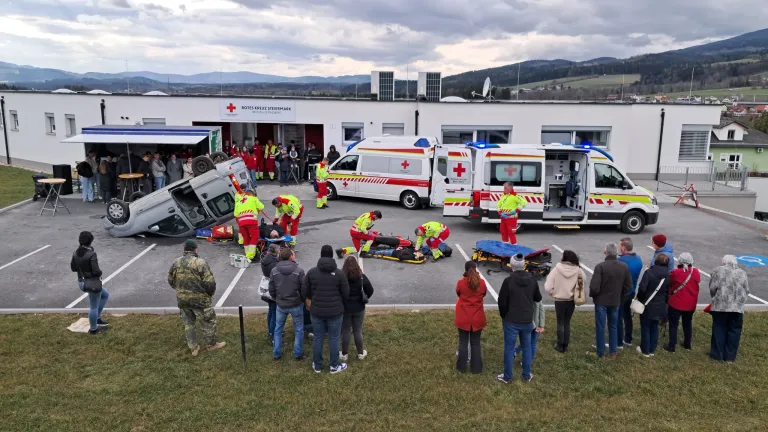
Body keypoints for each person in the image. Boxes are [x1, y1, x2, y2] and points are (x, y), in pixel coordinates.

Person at [167, 240, 226, 356]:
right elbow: (210, 283)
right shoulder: (200, 263)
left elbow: (170, 280)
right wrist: (209, 294)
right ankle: (211, 344)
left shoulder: (176, 262)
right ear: (195, 249)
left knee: (189, 324)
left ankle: (193, 348)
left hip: (183, 300)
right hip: (200, 301)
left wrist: (180, 290)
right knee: (208, 321)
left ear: (185, 249)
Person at [305, 245, 350, 374]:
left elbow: (305, 291)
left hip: (317, 311)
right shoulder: (339, 273)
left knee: (318, 337)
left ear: (320, 255)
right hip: (335, 312)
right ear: (331, 256)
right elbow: (346, 293)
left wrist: (310, 299)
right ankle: (334, 366)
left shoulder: (312, 272)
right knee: (334, 338)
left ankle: (317, 365)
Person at [497, 254, 541, 384]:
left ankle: (507, 376)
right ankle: (526, 375)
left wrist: (503, 315)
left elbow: (502, 302)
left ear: (511, 266)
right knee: (527, 347)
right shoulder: (532, 280)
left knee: (509, 348)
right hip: (527, 319)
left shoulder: (508, 281)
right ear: (524, 265)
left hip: (511, 320)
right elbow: (538, 298)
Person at [589, 243, 632, 359]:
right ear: (616, 253)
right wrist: (619, 295)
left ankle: (600, 352)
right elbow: (628, 286)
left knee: (600, 326)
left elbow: (594, 287)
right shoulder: (624, 267)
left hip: (601, 301)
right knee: (613, 326)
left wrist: (594, 296)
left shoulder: (600, 267)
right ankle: (613, 352)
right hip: (615, 301)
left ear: (605, 252)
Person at [269, 247, 307, 361]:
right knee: (299, 329)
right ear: (291, 256)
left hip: (281, 305)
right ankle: (298, 353)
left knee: (278, 329)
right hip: (296, 304)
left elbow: (271, 288)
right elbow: (304, 288)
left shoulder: (274, 271)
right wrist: (302, 299)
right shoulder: (299, 270)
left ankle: (276, 353)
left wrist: (277, 298)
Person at [709, 255, 749, 362]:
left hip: (720, 306)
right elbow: (746, 290)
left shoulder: (718, 271)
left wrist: (714, 297)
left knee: (719, 328)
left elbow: (713, 287)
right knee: (735, 331)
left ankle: (717, 354)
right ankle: (730, 356)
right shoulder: (742, 273)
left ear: (724, 262)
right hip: (737, 307)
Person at [545, 250, 586, 353]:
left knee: (560, 322)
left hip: (559, 300)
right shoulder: (578, 270)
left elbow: (548, 285)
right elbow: (583, 281)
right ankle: (565, 345)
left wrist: (552, 291)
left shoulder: (557, 269)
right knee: (567, 322)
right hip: (571, 300)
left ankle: (559, 344)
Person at [70, 231, 109, 334]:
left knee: (105, 295)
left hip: (81, 282)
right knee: (93, 306)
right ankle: (93, 329)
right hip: (91, 284)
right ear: (90, 242)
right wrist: (100, 273)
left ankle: (97, 317)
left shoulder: (75, 253)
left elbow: (73, 268)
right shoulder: (91, 254)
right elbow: (96, 271)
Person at [455, 261, 487, 374]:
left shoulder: (460, 283)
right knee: (476, 342)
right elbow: (483, 294)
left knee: (463, 342)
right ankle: (476, 368)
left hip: (463, 317)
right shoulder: (482, 283)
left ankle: (461, 367)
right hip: (477, 317)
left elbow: (459, 294)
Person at [664, 253, 700, 352]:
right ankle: (687, 344)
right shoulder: (696, 272)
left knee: (673, 324)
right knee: (687, 323)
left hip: (676, 302)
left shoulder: (675, 273)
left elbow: (669, 283)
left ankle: (672, 345)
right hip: (690, 303)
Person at [636, 254, 670, 357]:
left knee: (645, 327)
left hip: (648, 304)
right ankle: (651, 349)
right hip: (661, 305)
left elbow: (642, 289)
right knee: (654, 326)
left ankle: (645, 349)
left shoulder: (649, 273)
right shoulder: (668, 275)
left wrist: (641, 299)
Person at [340, 256, 374, 362]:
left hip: (345, 308)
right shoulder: (361, 277)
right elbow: (370, 290)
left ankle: (344, 354)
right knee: (357, 330)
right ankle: (360, 353)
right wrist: (364, 298)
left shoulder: (341, 277)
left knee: (345, 331)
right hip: (359, 307)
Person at [617, 237, 643, 348]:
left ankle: (618, 342)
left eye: (620, 246)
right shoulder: (638, 260)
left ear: (623, 247)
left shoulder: (620, 261)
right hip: (631, 292)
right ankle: (628, 338)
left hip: (621, 293)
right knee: (627, 315)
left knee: (618, 317)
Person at [234, 189, 265, 261]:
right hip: (251, 221)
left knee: (246, 238)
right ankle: (251, 256)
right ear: (252, 194)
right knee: (255, 237)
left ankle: (247, 253)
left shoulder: (239, 202)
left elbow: (235, 214)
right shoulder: (253, 199)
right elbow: (262, 207)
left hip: (241, 222)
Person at [261, 244, 280, 342]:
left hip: (266, 288)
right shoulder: (274, 264)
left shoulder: (265, 260)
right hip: (273, 289)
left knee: (271, 311)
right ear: (276, 252)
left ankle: (270, 331)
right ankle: (273, 334)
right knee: (275, 313)